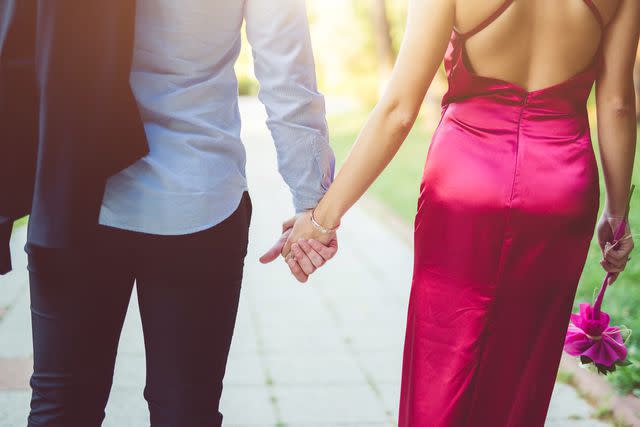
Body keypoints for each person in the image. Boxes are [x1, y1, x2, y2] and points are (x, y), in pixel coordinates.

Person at [278, 0, 639, 425]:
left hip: (465, 184)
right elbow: (616, 103)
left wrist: (323, 218)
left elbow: (398, 110)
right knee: (523, 369)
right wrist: (617, 214)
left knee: (443, 361)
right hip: (560, 189)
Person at [0, 0, 335, 426]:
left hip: (77, 194)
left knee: (61, 405)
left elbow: (13, 45)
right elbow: (286, 72)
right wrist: (311, 202)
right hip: (198, 197)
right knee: (186, 411)